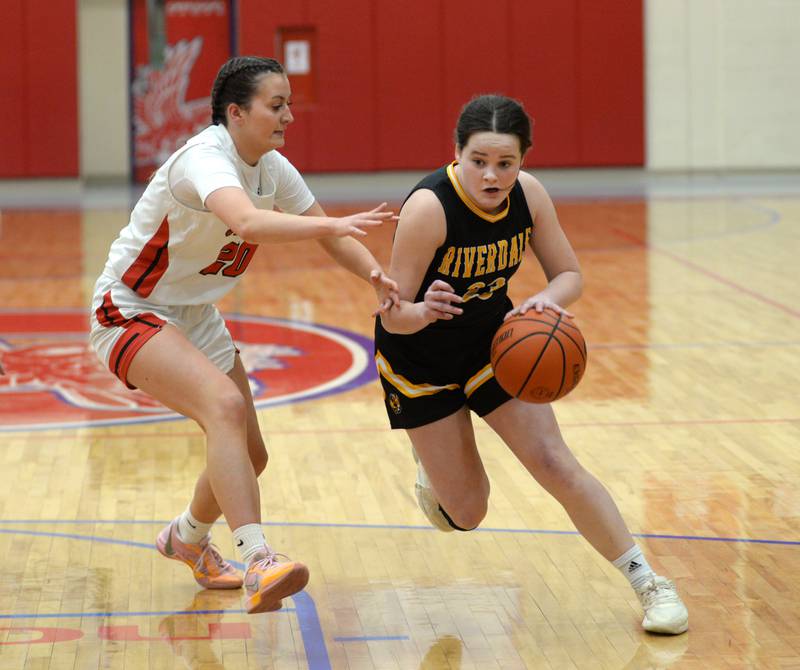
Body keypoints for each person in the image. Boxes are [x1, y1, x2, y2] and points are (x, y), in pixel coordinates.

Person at [89, 56, 399, 614]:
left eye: (288, 105)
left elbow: (331, 238)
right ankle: (258, 559)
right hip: (130, 307)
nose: (288, 117)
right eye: (276, 105)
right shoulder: (204, 159)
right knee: (223, 407)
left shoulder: (272, 168)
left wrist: (377, 276)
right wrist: (331, 223)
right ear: (236, 112)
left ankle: (186, 538)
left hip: (195, 312)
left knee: (250, 455)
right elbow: (250, 224)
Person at [374, 94, 688, 635]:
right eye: (478, 161)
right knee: (467, 514)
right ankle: (435, 463)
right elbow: (391, 313)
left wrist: (547, 300)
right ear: (456, 153)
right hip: (418, 358)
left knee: (554, 462)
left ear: (524, 160)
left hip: (493, 345)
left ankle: (649, 583)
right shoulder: (430, 208)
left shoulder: (530, 196)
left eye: (505, 163)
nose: (491, 176)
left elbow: (570, 274)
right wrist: (422, 310)